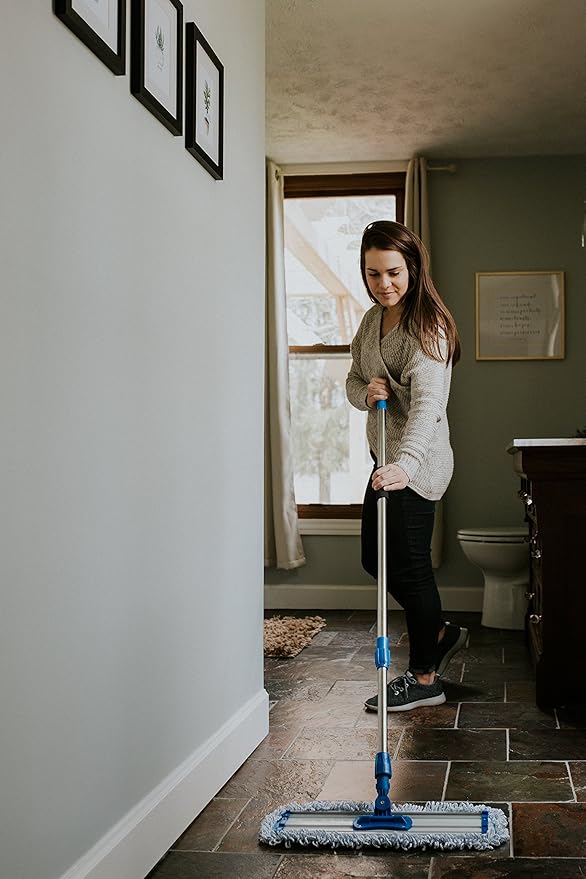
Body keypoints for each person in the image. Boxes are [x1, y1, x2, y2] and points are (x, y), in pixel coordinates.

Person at [346, 220, 467, 712]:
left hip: (418, 466)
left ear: (413, 268)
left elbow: (428, 408)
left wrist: (407, 466)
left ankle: (425, 679)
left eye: (393, 272)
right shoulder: (371, 320)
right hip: (386, 459)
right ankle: (436, 632)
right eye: (373, 273)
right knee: (373, 559)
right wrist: (366, 392)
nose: (384, 284)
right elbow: (353, 379)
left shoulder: (427, 328)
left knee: (411, 570)